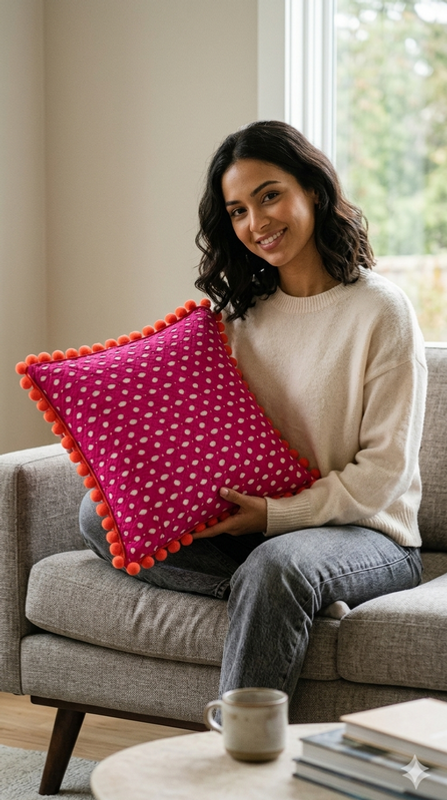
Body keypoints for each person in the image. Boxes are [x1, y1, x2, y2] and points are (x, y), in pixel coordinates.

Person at [80, 121, 426, 706]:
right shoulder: (239, 316)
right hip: (262, 532)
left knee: (279, 566)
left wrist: (274, 517)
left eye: (269, 195)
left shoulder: (380, 310)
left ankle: (238, 765)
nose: (257, 223)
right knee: (101, 515)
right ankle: (288, 597)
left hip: (369, 534)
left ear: (312, 190)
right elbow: (208, 432)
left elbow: (384, 473)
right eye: (238, 210)